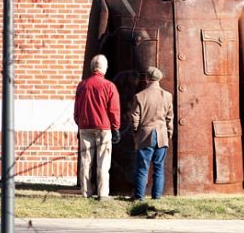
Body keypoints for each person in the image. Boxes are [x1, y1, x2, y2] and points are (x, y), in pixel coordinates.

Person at [74, 54, 121, 201]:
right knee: (103, 161)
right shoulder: (109, 86)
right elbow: (114, 110)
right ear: (104, 68)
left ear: (92, 67)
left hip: (85, 127)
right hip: (103, 127)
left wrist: (79, 124)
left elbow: (77, 109)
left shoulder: (82, 85)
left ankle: (85, 191)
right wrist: (116, 128)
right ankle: (102, 193)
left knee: (85, 161)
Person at [131, 66, 173, 201]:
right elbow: (169, 118)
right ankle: (157, 197)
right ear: (159, 79)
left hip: (145, 135)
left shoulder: (140, 96)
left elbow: (134, 118)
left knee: (143, 168)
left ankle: (139, 197)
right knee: (159, 168)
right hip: (161, 135)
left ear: (147, 78)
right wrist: (169, 133)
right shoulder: (167, 96)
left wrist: (136, 133)